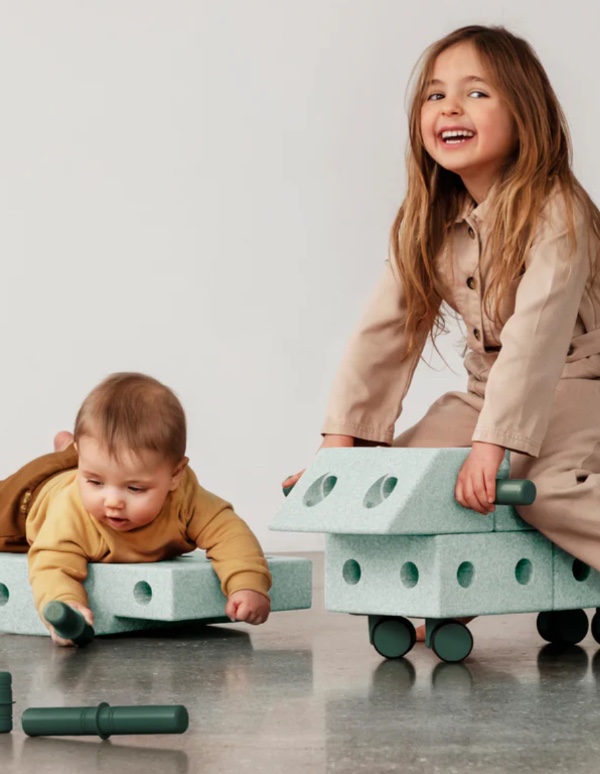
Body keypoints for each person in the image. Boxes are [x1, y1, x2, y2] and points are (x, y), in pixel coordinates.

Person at [283, 25, 600, 640]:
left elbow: (535, 341)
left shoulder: (558, 212)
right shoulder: (430, 218)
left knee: (539, 488)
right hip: (489, 392)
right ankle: (456, 585)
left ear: (525, 114)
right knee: (408, 478)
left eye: (476, 93)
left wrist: (492, 446)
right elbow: (383, 332)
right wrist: (339, 451)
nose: (450, 108)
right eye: (435, 95)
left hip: (579, 381)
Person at [0, 372, 271, 645]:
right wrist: (65, 604)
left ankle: (70, 452)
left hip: (85, 464)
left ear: (175, 475)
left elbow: (229, 533)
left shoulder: (187, 499)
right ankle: (68, 452)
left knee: (100, 464)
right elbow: (51, 565)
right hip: (29, 498)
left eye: (134, 488)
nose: (112, 502)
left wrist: (247, 583)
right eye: (96, 482)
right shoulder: (70, 515)